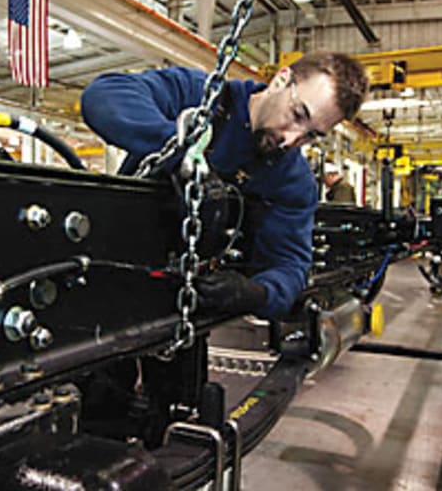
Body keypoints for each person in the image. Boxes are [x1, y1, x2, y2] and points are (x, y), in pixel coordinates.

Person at [81, 51, 369, 319]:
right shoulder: (201, 97)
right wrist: (183, 154)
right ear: (281, 81)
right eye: (298, 115)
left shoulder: (293, 181)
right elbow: (104, 95)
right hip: (110, 274)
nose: (291, 139)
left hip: (184, 312)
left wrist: (257, 293)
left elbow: (290, 265)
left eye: (311, 135)